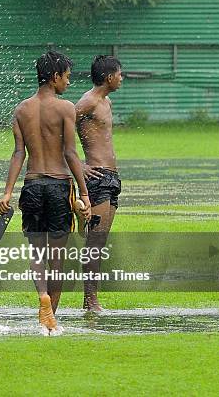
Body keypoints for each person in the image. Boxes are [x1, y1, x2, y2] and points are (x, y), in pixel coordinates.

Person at [0, 51, 91, 333]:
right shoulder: (65, 109)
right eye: (67, 77)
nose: (69, 82)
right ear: (54, 77)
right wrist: (84, 195)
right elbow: (71, 153)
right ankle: (51, 321)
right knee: (57, 257)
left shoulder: (21, 109)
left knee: (36, 252)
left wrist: (7, 192)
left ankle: (42, 297)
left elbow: (18, 154)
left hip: (33, 185)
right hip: (59, 186)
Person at [75, 55, 123, 312]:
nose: (121, 78)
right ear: (108, 77)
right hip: (98, 178)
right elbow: (59, 129)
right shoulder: (88, 101)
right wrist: (79, 165)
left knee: (100, 240)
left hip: (112, 178)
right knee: (95, 241)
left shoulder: (107, 101)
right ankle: (90, 301)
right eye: (119, 74)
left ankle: (92, 299)